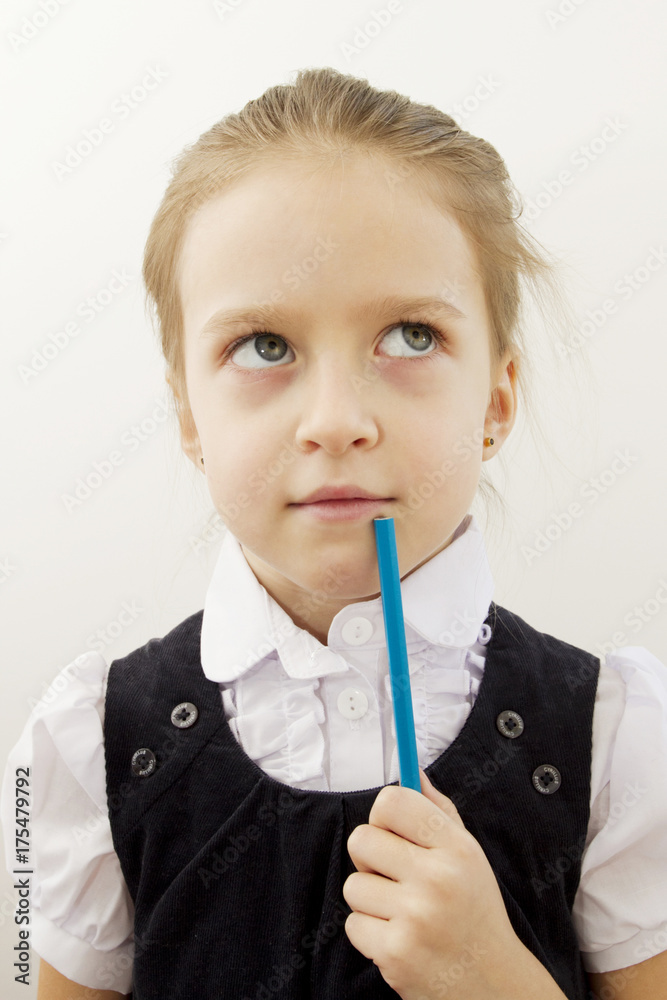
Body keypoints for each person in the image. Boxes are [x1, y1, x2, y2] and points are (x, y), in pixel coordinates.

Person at [3, 67, 666, 1000]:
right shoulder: (82, 744)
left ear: (495, 400)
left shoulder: (619, 739)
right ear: (189, 417)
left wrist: (495, 979)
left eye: (409, 336)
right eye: (264, 347)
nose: (336, 421)